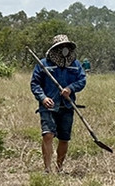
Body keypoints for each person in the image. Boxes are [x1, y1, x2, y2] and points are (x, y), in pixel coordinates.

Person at [30, 34, 87, 173]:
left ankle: (59, 168)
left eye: (66, 46)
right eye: (61, 47)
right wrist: (43, 98)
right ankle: (47, 169)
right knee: (47, 135)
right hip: (48, 106)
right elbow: (35, 83)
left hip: (67, 106)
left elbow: (82, 81)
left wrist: (70, 88)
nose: (64, 49)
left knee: (64, 138)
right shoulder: (44, 64)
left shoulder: (75, 65)